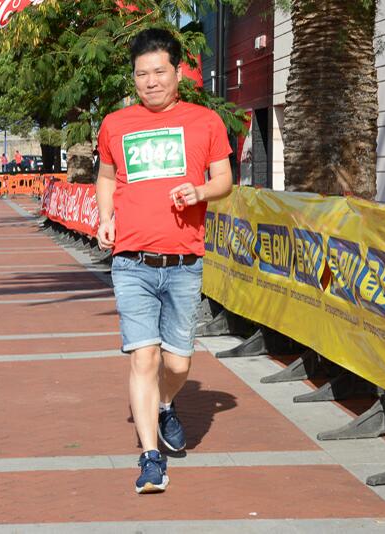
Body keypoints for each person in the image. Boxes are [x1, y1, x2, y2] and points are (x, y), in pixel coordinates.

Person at [95, 28, 233, 495]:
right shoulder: (115, 123)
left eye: (159, 72)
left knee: (176, 363)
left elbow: (224, 180)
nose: (150, 81)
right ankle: (150, 457)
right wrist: (106, 218)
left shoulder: (205, 122)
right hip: (131, 259)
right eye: (141, 74)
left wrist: (200, 190)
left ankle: (164, 405)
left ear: (178, 72)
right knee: (144, 357)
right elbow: (107, 176)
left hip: (184, 261)